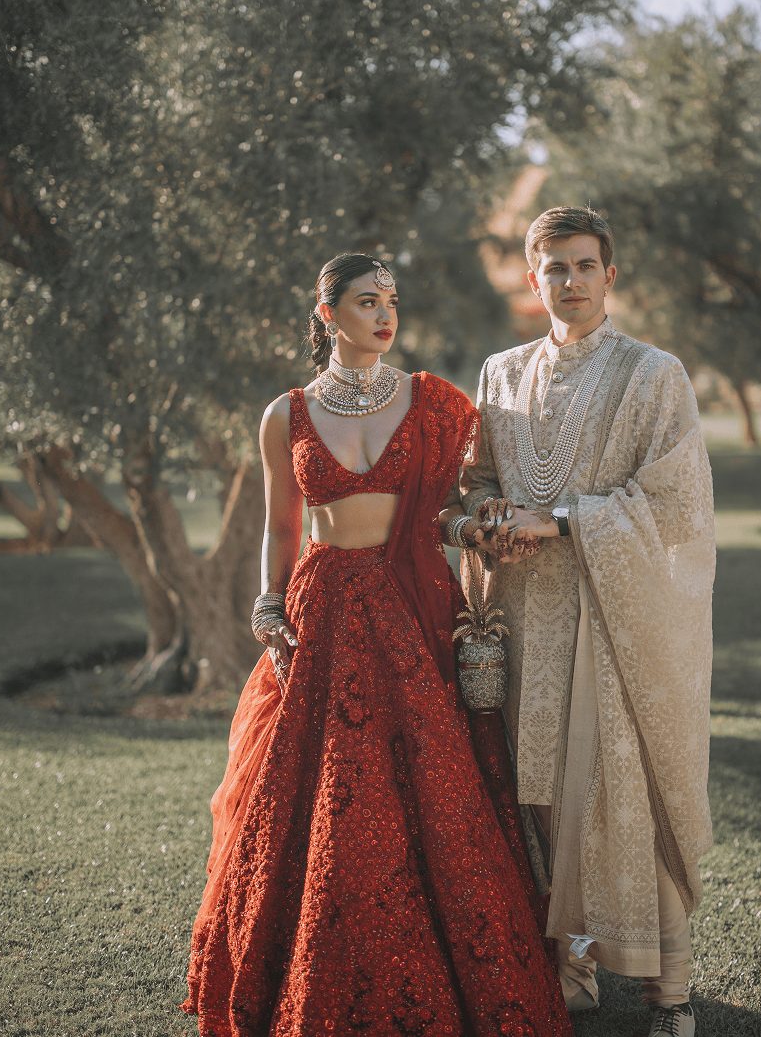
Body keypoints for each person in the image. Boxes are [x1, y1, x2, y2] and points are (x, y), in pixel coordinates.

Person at [182, 253, 571, 1037]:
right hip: (322, 612)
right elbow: (281, 526)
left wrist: (481, 531)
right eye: (367, 302)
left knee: (435, 782)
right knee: (316, 784)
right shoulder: (286, 414)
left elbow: (453, 505)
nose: (386, 315)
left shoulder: (432, 403)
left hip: (412, 610)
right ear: (327, 314)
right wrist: (267, 604)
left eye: (391, 300)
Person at [460, 207, 715, 1037]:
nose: (568, 281)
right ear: (533, 279)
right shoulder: (501, 374)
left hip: (613, 620)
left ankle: (669, 997)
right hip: (522, 615)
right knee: (533, 789)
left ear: (609, 274)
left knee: (621, 791)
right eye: (553, 268)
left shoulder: (652, 374)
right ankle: (566, 974)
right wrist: (491, 516)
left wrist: (561, 520)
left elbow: (675, 498)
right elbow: (477, 478)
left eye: (582, 265)